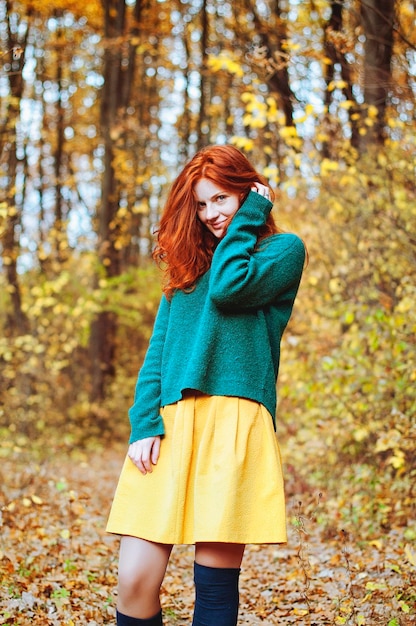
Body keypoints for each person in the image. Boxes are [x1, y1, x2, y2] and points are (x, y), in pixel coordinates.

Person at [106, 144, 306, 626]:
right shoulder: (185, 270)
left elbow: (230, 287)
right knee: (134, 579)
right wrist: (143, 423)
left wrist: (255, 213)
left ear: (247, 194)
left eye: (222, 199)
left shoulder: (281, 252)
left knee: (213, 590)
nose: (212, 213)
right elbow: (158, 351)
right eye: (201, 203)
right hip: (173, 422)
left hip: (235, 419)